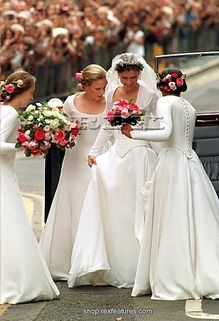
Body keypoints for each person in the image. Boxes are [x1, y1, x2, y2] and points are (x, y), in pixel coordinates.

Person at [121, 68, 219, 300]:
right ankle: (209, 272)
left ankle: (176, 274)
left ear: (162, 86)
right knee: (197, 216)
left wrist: (135, 134)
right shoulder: (188, 106)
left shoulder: (165, 103)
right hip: (190, 162)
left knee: (172, 216)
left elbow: (165, 133)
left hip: (172, 163)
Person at [68, 53, 160, 289]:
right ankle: (115, 259)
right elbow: (108, 125)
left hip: (139, 153)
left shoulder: (149, 94)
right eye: (125, 77)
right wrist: (95, 151)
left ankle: (142, 263)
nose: (129, 82)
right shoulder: (112, 93)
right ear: (118, 75)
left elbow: (158, 124)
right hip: (117, 153)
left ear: (139, 74)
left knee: (138, 208)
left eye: (133, 77)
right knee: (116, 207)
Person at [39, 64, 107, 281]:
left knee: (101, 206)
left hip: (103, 159)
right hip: (76, 161)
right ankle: (72, 261)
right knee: (76, 204)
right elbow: (62, 129)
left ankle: (99, 262)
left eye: (104, 88)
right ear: (85, 85)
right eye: (97, 89)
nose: (102, 93)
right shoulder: (71, 103)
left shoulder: (110, 102)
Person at [0, 70, 59, 304]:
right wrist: (24, 143)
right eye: (31, 93)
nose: (31, 98)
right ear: (22, 91)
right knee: (11, 220)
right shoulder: (11, 113)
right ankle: (17, 279)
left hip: (6, 170)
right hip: (3, 172)